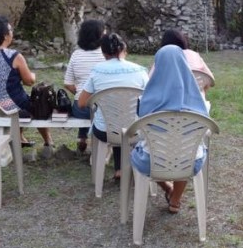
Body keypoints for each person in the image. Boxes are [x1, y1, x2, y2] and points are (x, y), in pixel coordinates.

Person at [130, 44, 209, 214]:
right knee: (186, 150)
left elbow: (139, 133)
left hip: (153, 162)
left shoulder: (145, 101)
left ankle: (167, 187)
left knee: (140, 151)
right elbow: (205, 131)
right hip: (190, 163)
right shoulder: (200, 101)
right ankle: (175, 199)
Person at [0, 15, 53, 154]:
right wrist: (33, 75)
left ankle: (19, 137)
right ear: (5, 36)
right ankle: (48, 141)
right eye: (10, 30)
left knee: (20, 99)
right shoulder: (13, 56)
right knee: (37, 103)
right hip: (12, 111)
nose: (12, 32)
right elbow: (29, 81)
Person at [77, 33, 149, 181]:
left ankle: (119, 170)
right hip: (134, 130)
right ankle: (122, 169)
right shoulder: (140, 71)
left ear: (103, 53)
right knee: (123, 121)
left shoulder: (98, 71)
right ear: (124, 48)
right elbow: (149, 101)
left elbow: (82, 103)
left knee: (114, 121)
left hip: (104, 131)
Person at [64, 19, 106, 153]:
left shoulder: (76, 55)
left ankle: (82, 138)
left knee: (86, 102)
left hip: (80, 109)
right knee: (97, 108)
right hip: (104, 107)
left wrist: (81, 93)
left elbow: (68, 83)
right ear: (100, 35)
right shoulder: (106, 54)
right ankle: (101, 144)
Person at [152, 29, 215, 96]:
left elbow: (149, 82)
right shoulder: (195, 55)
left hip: (171, 99)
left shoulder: (162, 57)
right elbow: (210, 79)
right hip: (197, 100)